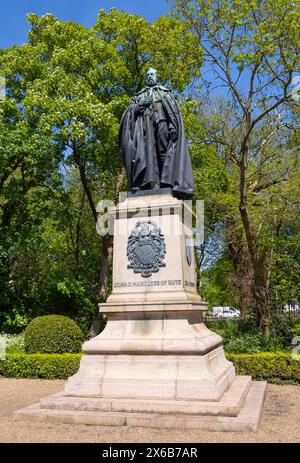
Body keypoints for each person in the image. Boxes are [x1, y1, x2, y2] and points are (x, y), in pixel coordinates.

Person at [119, 68, 194, 198]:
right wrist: (138, 106)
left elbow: (173, 112)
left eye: (152, 74)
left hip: (162, 123)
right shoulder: (139, 96)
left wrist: (172, 126)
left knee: (164, 152)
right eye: (147, 75)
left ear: (156, 76)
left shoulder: (165, 93)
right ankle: (152, 183)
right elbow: (130, 111)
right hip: (145, 126)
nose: (150, 76)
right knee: (148, 154)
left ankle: (166, 182)